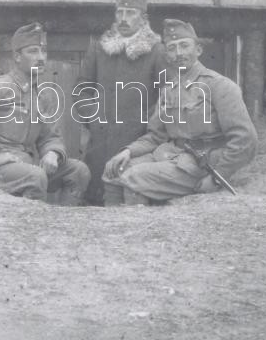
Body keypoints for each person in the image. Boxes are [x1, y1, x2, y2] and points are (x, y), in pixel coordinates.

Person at [101, 19, 257, 205]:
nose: (179, 53)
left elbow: (245, 139)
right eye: (172, 48)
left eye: (184, 46)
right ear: (167, 55)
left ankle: (133, 221)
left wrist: (218, 177)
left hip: (203, 164)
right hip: (173, 156)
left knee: (134, 176)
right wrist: (128, 151)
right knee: (113, 170)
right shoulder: (169, 90)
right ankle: (115, 222)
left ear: (198, 49)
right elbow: (156, 136)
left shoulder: (219, 86)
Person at [0, 22, 90, 204]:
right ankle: (31, 221)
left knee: (78, 171)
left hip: (24, 167)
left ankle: (62, 220)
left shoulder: (42, 96)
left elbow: (50, 137)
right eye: (33, 51)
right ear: (17, 56)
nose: (41, 58)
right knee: (36, 177)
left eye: (43, 51)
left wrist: (52, 153)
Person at [75, 0, 166, 206]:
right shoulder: (99, 48)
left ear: (143, 19)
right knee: (95, 202)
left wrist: (146, 124)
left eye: (131, 13)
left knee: (128, 202)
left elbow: (166, 96)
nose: (124, 18)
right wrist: (93, 117)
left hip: (136, 142)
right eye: (120, 12)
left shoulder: (156, 51)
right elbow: (81, 90)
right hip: (99, 142)